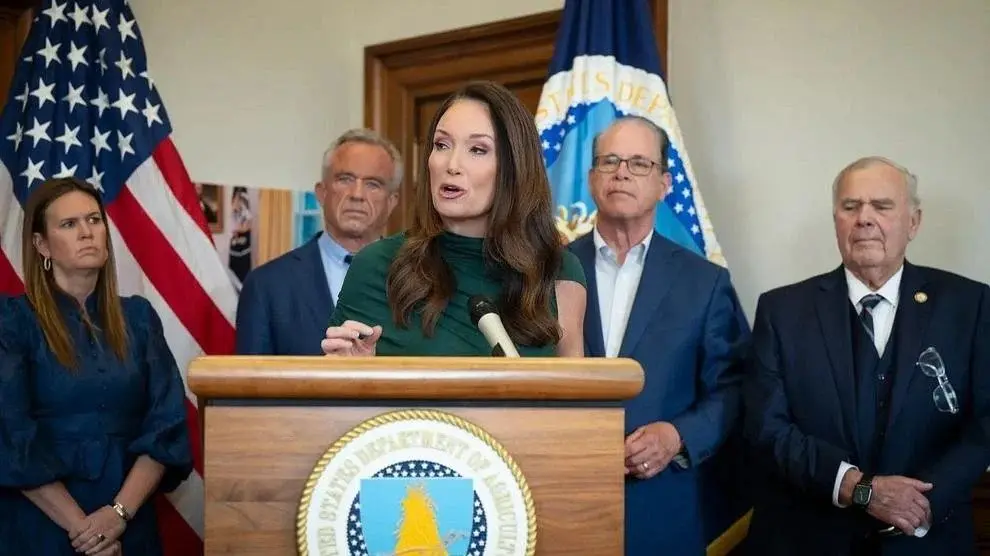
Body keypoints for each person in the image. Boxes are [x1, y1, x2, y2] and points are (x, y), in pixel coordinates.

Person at [743, 156, 990, 555]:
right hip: (807, 539)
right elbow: (766, 428)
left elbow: (986, 423)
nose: (864, 218)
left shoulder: (971, 305)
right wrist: (857, 488)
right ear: (836, 220)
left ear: (913, 222)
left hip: (925, 540)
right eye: (850, 206)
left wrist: (921, 504)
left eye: (882, 205)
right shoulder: (781, 311)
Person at [567, 116, 751, 555]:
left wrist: (677, 435)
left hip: (663, 507)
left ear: (665, 183)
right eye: (609, 161)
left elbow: (735, 386)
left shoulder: (704, 283)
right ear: (592, 179)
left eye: (639, 163)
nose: (622, 172)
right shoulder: (546, 271)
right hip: (565, 495)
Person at [321, 81, 586, 358]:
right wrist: (357, 373)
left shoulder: (557, 270)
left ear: (514, 167)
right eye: (441, 145)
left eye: (477, 150)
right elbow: (330, 393)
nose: (452, 165)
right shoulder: (375, 266)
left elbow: (574, 396)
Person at [0, 177, 194, 555]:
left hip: (128, 520)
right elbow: (10, 436)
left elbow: (166, 425)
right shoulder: (13, 321)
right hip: (41, 525)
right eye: (69, 224)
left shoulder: (139, 318)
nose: (87, 233)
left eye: (93, 220)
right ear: (42, 244)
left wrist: (118, 514)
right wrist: (86, 532)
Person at [235, 128, 401, 355]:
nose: (357, 194)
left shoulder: (421, 284)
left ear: (392, 202)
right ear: (322, 193)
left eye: (373, 184)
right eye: (345, 179)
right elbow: (248, 387)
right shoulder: (266, 286)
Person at [228, 186, 253, 283]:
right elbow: (236, 229)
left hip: (244, 253)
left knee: (244, 279)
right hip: (234, 252)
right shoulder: (233, 214)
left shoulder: (247, 215)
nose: (238, 202)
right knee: (232, 279)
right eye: (236, 199)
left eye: (241, 199)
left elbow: (246, 227)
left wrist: (239, 228)